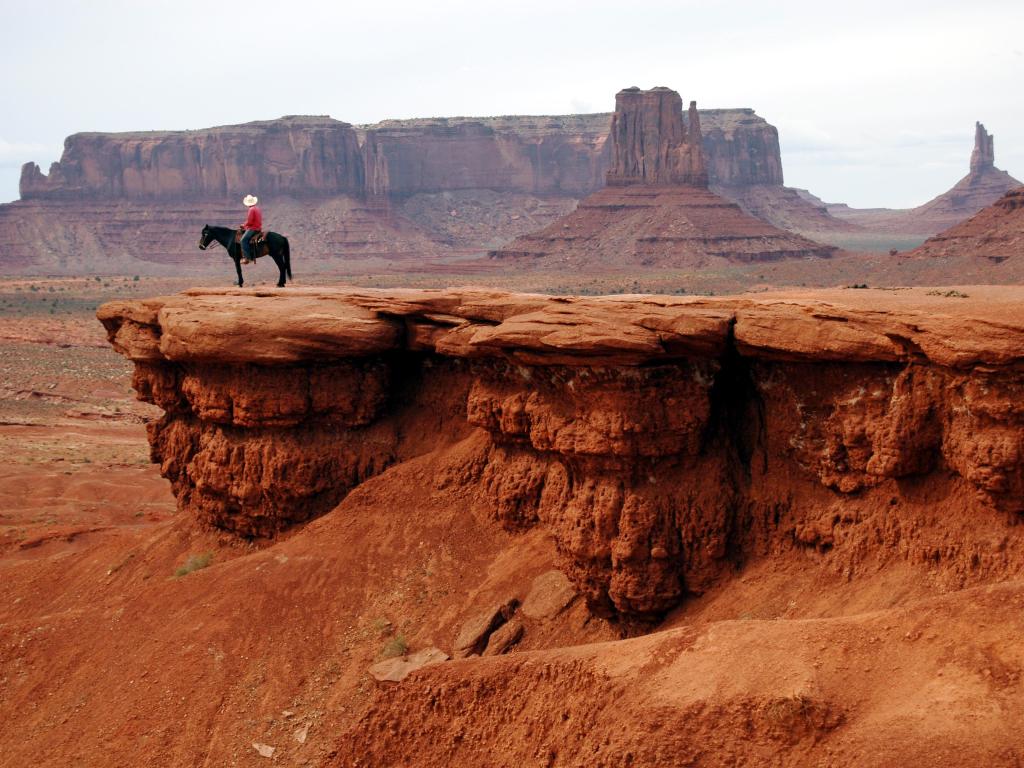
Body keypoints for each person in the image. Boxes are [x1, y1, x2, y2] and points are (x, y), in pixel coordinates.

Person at [240, 194, 262, 264]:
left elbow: (250, 221)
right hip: (258, 228)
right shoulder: (257, 208)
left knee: (243, 240)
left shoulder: (251, 209)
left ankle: (247, 258)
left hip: (253, 228)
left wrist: (243, 225)